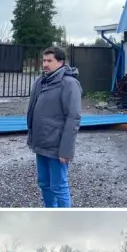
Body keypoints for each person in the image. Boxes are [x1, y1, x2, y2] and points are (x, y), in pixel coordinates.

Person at [26, 46, 82, 207]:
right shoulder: (40, 81)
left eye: (50, 60)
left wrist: (66, 149)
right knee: (44, 183)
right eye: (44, 60)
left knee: (59, 186)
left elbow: (73, 117)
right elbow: (32, 111)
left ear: (61, 62)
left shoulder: (69, 83)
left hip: (56, 146)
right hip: (41, 143)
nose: (45, 64)